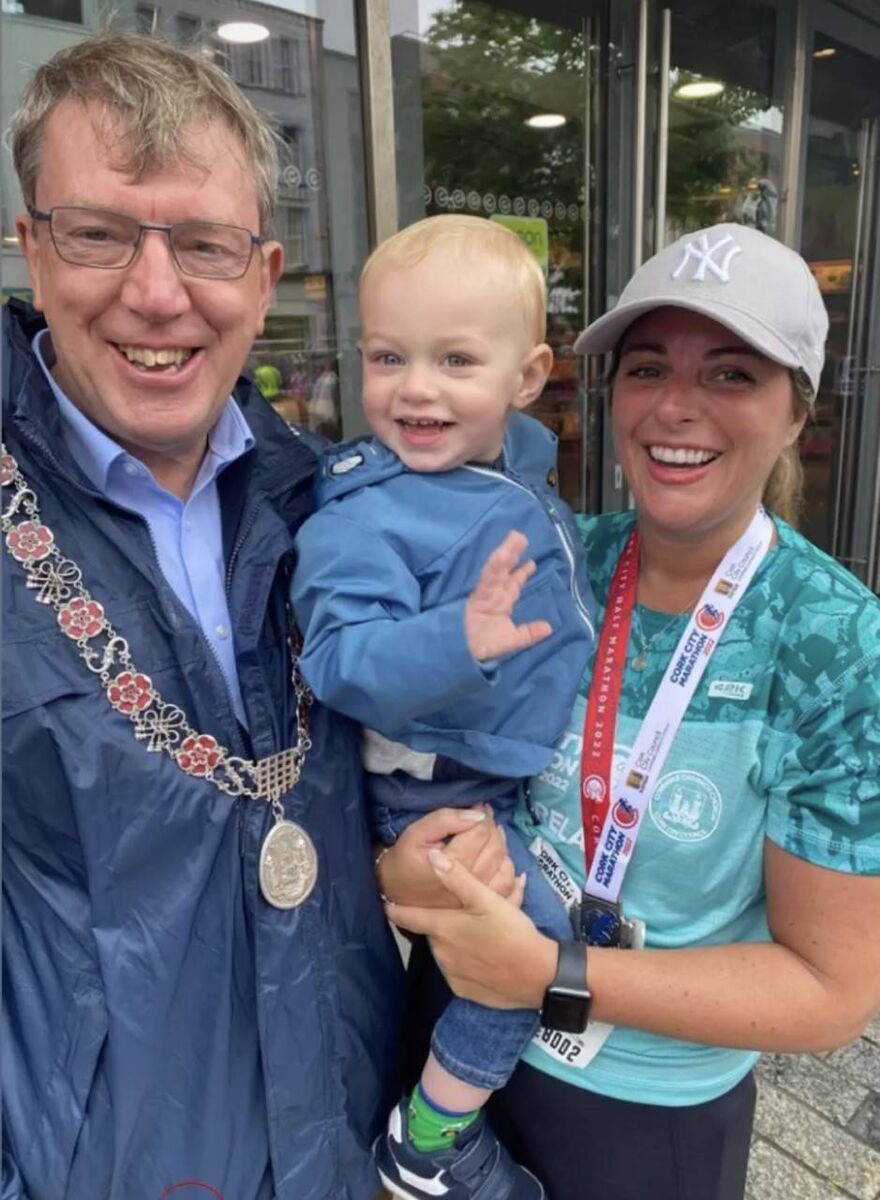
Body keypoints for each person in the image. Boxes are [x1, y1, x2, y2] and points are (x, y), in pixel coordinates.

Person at [380, 224, 880, 1200]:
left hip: (639, 1108)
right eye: (647, 368)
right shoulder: (557, 556)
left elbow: (829, 995)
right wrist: (407, 864)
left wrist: (547, 975)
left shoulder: (833, 642)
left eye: (732, 375)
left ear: (796, 413)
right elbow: (440, 757)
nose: (676, 408)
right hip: (452, 1021)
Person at [0, 32, 416, 1200]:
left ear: (264, 272)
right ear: (32, 248)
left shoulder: (341, 508)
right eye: (98, 232)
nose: (157, 291)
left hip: (341, 1142)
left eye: (203, 244)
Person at [291, 215, 596, 1200]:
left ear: (527, 375)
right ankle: (429, 1142)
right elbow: (339, 660)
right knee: (529, 965)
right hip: (437, 795)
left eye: (454, 358)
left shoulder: (506, 475)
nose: (415, 387)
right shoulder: (366, 511)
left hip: (492, 777)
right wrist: (454, 640)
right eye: (388, 357)